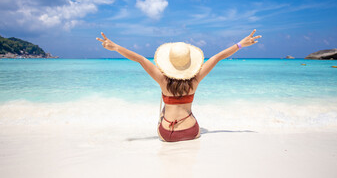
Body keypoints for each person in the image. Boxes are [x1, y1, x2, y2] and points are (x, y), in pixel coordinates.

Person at [96, 29, 262, 142]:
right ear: (190, 63)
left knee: (163, 111)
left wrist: (116, 47)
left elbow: (140, 59)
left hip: (167, 134)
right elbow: (218, 57)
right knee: (188, 113)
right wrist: (240, 44)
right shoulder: (195, 80)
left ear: (169, 63)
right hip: (191, 132)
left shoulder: (162, 80)